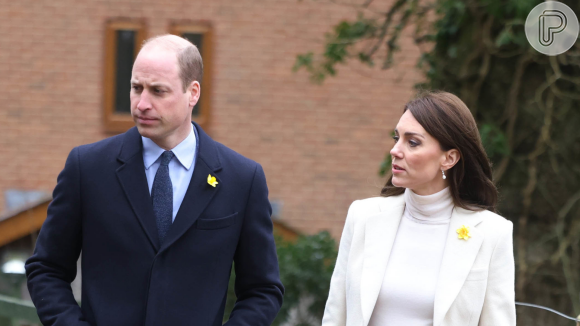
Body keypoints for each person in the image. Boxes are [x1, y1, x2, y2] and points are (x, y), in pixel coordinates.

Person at [25, 34, 284, 326]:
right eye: (137, 88)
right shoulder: (87, 168)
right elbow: (46, 269)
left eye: (158, 91)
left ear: (193, 93)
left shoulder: (242, 179)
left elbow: (263, 290)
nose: (142, 103)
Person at [321, 91, 516, 326]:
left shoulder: (492, 233)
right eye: (397, 138)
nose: (395, 150)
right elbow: (335, 315)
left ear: (449, 158)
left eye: (412, 142)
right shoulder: (362, 216)